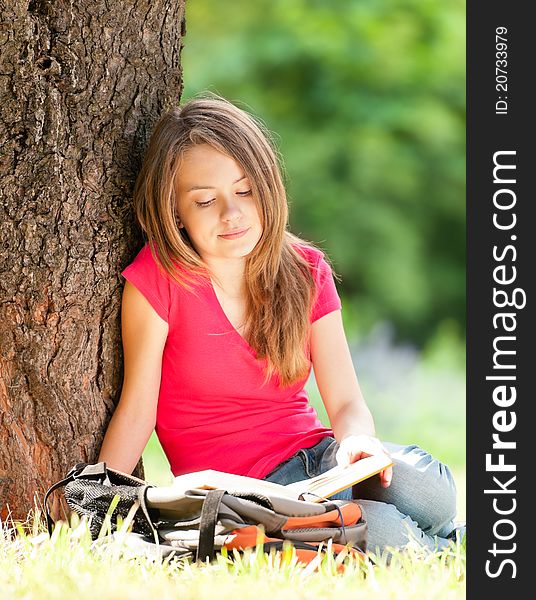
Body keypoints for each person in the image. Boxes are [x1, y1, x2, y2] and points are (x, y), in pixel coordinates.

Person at [98, 93, 459, 554]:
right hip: (254, 497)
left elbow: (346, 400)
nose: (232, 213)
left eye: (245, 190)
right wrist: (100, 511)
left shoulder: (305, 269)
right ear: (175, 211)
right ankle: (450, 547)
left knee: (429, 488)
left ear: (267, 187)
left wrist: (357, 444)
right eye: (205, 201)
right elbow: (137, 410)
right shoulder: (158, 279)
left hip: (322, 460)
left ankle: (441, 539)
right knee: (384, 531)